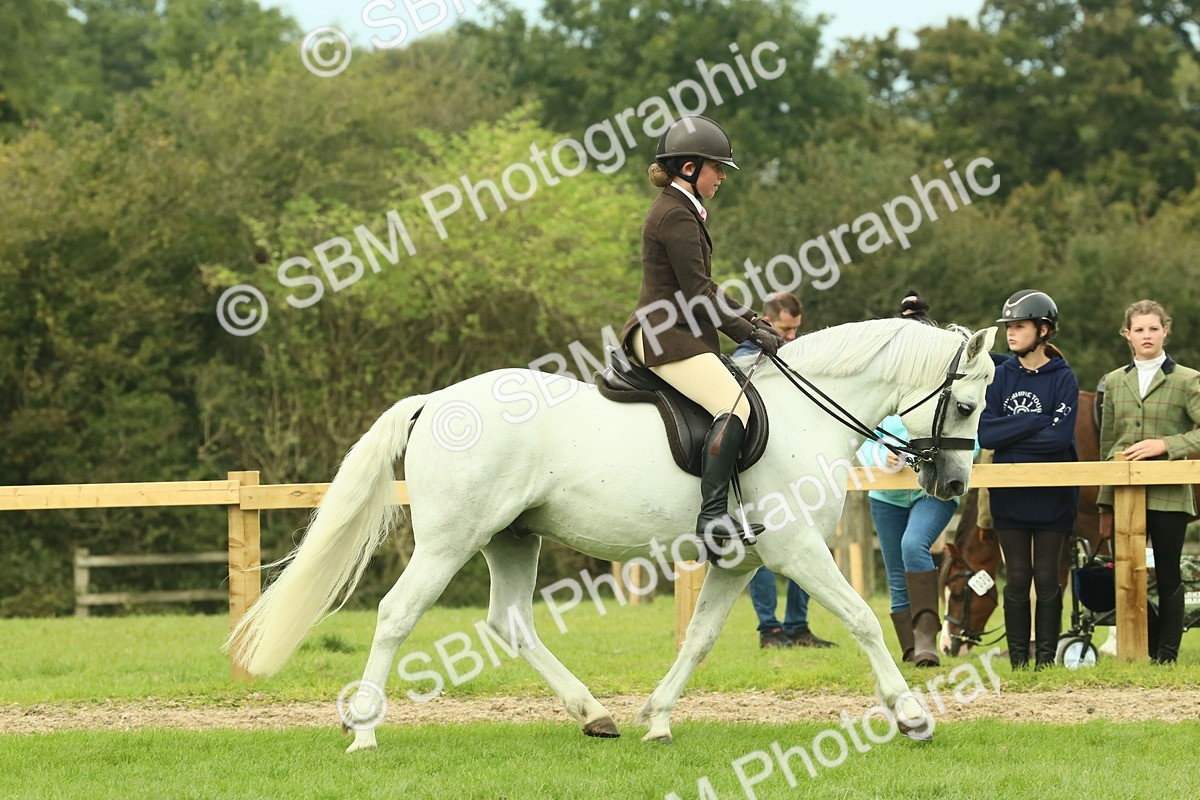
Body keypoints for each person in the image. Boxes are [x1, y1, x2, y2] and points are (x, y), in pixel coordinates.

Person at [619, 116, 785, 550]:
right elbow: (699, 294)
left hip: (673, 330)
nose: (722, 177)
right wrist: (748, 333)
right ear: (690, 168)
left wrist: (754, 322)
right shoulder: (675, 214)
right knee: (735, 407)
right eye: (718, 168)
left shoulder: (681, 210)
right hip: (664, 333)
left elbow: (703, 291)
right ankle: (712, 519)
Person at [856, 290, 961, 667]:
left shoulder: (946, 379)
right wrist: (877, 455)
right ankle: (909, 649)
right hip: (886, 493)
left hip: (930, 487)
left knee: (913, 544)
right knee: (895, 570)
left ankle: (926, 639)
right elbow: (861, 433)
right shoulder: (880, 379)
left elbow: (968, 434)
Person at [978, 289, 1079, 669]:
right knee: (1017, 578)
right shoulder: (1000, 376)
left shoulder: (1063, 378)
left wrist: (1014, 429)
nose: (1011, 333)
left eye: (1019, 326)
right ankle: (1019, 661)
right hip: (1010, 494)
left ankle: (1046, 660)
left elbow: (1058, 440)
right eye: (1009, 327)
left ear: (1044, 329)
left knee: (1047, 577)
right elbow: (987, 434)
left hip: (1053, 495)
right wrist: (1037, 419)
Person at [1097, 300, 1200, 664]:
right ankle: (1142, 648)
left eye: (1153, 328)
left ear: (1165, 331)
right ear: (1127, 334)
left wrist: (1166, 445)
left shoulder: (1188, 380)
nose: (1146, 335)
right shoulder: (1113, 381)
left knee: (1169, 576)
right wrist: (1104, 503)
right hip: (1125, 496)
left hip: (1170, 496)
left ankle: (1167, 656)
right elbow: (1107, 446)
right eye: (1139, 329)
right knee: (1127, 576)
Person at [734, 293, 834, 648]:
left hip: (793, 469)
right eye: (784, 329)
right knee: (759, 549)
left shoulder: (799, 353)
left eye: (795, 329)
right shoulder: (744, 358)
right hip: (757, 469)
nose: (791, 337)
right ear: (767, 319)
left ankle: (797, 625)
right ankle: (769, 629)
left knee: (811, 542)